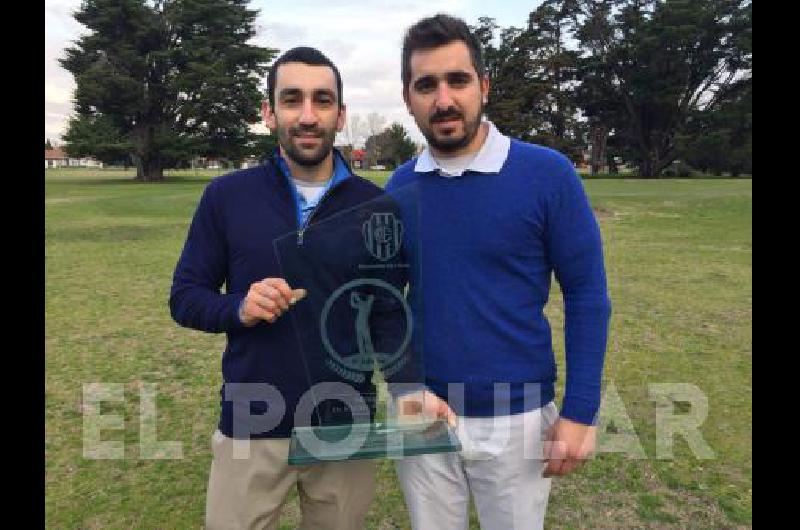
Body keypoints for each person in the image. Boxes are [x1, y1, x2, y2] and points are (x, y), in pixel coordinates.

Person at [169, 45, 450, 530]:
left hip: (345, 424)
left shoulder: (375, 206)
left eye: (322, 101)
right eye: (292, 99)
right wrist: (239, 307)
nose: (307, 115)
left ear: (340, 116)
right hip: (253, 418)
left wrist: (408, 389)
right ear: (268, 112)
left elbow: (385, 314)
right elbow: (185, 297)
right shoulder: (226, 196)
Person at [386, 14, 612, 529]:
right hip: (424, 415)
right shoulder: (399, 187)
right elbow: (382, 299)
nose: (443, 99)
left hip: (518, 419)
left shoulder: (546, 174)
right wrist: (403, 389)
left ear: (483, 86)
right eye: (427, 85)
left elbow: (587, 295)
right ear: (409, 98)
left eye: (457, 80)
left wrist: (579, 412)